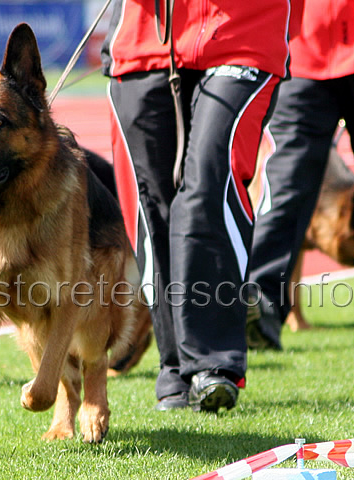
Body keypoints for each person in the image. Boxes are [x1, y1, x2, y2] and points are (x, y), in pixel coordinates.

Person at [101, 0, 291, 411]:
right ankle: (175, 370)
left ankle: (213, 364)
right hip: (141, 39)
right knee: (152, 209)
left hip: (242, 30)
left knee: (208, 186)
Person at [247, 0, 354, 350]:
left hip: (309, 51)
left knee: (283, 194)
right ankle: (258, 312)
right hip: (303, 54)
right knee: (283, 193)